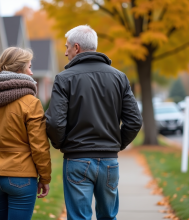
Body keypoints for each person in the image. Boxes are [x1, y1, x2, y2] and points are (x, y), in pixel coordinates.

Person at [45, 25, 143, 220]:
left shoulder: (64, 79)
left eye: (67, 47)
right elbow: (135, 121)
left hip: (77, 159)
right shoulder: (119, 78)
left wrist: (62, 144)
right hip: (109, 162)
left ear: (77, 47)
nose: (65, 52)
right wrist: (115, 144)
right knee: (108, 217)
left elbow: (55, 123)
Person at [0, 47, 51, 220]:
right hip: (21, 177)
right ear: (19, 70)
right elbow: (39, 146)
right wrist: (45, 177)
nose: (32, 72)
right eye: (29, 67)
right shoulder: (31, 102)